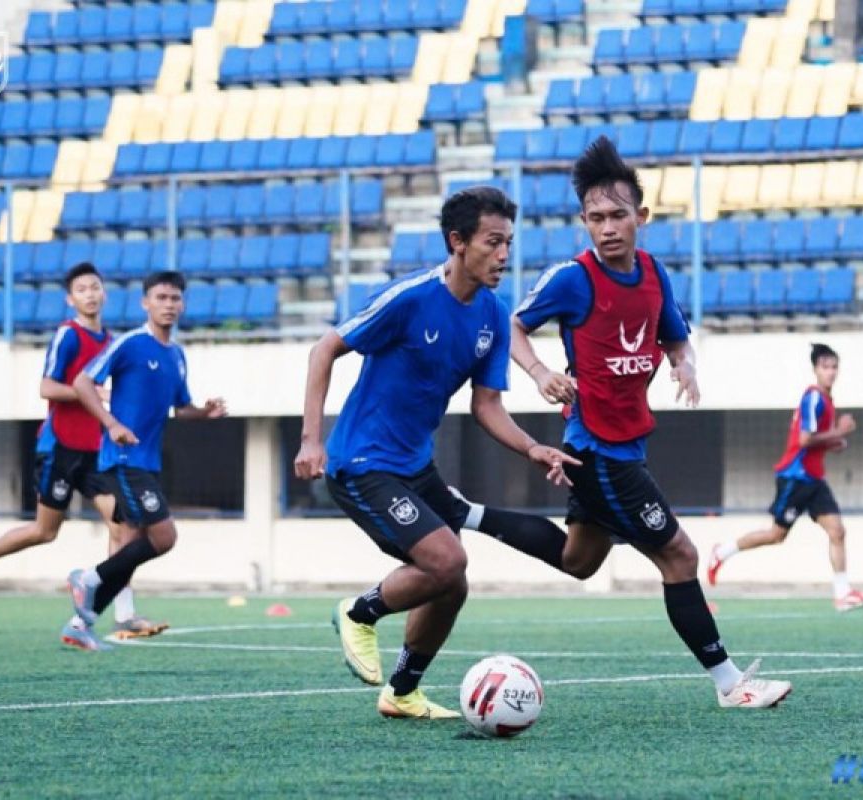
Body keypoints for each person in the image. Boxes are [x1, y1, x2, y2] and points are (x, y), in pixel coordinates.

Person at [467, 137, 792, 708]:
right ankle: (730, 684)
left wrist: (684, 365)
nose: (607, 227)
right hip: (599, 451)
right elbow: (514, 326)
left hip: (627, 443)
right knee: (680, 556)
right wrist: (541, 371)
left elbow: (675, 337)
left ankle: (462, 511)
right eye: (595, 218)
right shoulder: (573, 278)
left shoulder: (653, 274)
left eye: (618, 215)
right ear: (584, 222)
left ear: (642, 216)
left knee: (579, 560)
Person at [293, 187, 574, 720]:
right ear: (457, 241)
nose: (504, 256)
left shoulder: (492, 315)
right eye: (493, 243)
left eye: (509, 243)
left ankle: (401, 693)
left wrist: (532, 447)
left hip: (414, 467)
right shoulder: (412, 298)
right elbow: (324, 348)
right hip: (362, 463)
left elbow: (486, 406)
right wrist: (312, 439)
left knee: (451, 584)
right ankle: (358, 612)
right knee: (447, 560)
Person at [0, 263, 165, 640]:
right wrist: (95, 393)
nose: (90, 294)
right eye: (82, 289)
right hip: (59, 449)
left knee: (124, 525)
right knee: (45, 531)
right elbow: (47, 387)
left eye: (95, 287)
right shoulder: (69, 335)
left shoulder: (111, 342)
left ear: (104, 293)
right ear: (70, 298)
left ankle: (118, 615)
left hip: (95, 453)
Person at [63, 271, 228, 650]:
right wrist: (112, 423)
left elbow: (179, 407)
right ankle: (87, 579)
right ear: (145, 302)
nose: (168, 305)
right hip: (124, 458)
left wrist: (202, 412)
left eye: (174, 298)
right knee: (164, 536)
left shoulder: (177, 355)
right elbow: (82, 383)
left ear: (182, 304)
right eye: (161, 297)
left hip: (146, 461)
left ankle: (80, 624)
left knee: (132, 544)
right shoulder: (131, 344)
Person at [707, 343, 863, 613]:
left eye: (834, 367)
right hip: (795, 477)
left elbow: (817, 441)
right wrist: (839, 432)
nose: (830, 372)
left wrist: (835, 442)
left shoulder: (828, 401)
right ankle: (722, 552)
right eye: (825, 367)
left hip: (814, 479)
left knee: (837, 531)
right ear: (815, 370)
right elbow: (804, 439)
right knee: (776, 535)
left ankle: (843, 594)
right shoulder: (814, 398)